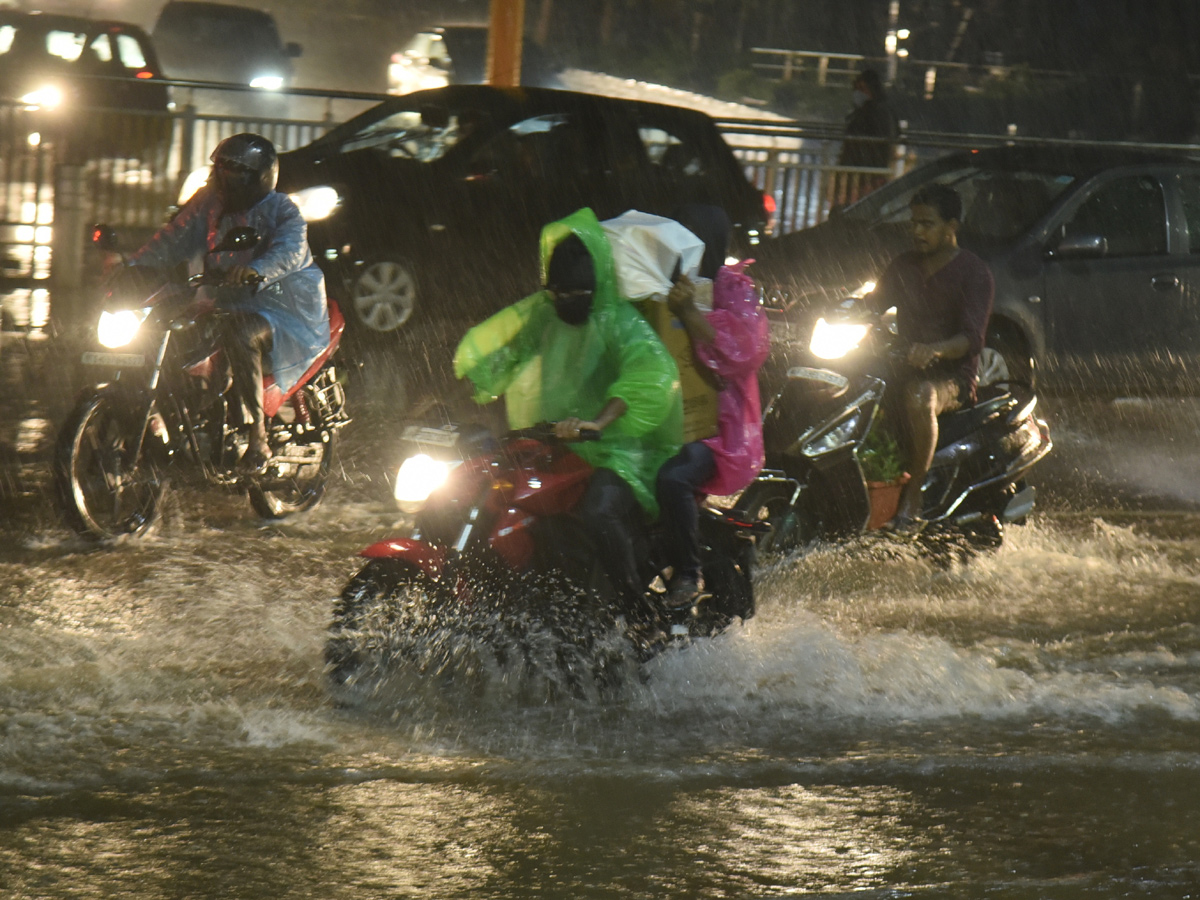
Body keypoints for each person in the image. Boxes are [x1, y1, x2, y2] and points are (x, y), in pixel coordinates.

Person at [453, 207, 683, 617]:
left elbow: (650, 375)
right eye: (559, 295)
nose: (566, 303)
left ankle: (635, 607)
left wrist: (600, 422)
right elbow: (507, 351)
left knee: (598, 511)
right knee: (494, 495)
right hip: (554, 440)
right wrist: (471, 387)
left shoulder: (620, 322)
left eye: (577, 296)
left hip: (619, 448)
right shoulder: (543, 313)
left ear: (596, 287)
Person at [126, 133, 329, 472]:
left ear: (260, 176)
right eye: (223, 170)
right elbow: (173, 237)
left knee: (240, 333)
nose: (227, 179)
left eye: (237, 172)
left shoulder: (281, 209)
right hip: (225, 296)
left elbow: (290, 252)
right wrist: (133, 266)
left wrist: (256, 269)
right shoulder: (208, 204)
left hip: (282, 305)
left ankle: (257, 438)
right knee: (166, 331)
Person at [656, 205, 770, 608]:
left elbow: (744, 350)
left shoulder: (734, 290)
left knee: (673, 479)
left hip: (721, 432)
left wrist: (688, 312)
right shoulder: (657, 285)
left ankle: (689, 573)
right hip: (661, 416)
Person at [865, 184, 994, 530]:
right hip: (898, 365)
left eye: (927, 224)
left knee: (920, 396)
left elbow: (971, 338)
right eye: (914, 223)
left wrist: (934, 349)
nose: (917, 231)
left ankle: (914, 496)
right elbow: (873, 304)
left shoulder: (974, 272)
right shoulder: (904, 265)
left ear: (952, 226)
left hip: (951, 378)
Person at [832, 68, 899, 208]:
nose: (858, 93)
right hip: (860, 173)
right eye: (857, 89)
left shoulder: (877, 112)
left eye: (862, 88)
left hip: (867, 174)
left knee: (857, 208)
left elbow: (881, 143)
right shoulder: (866, 111)